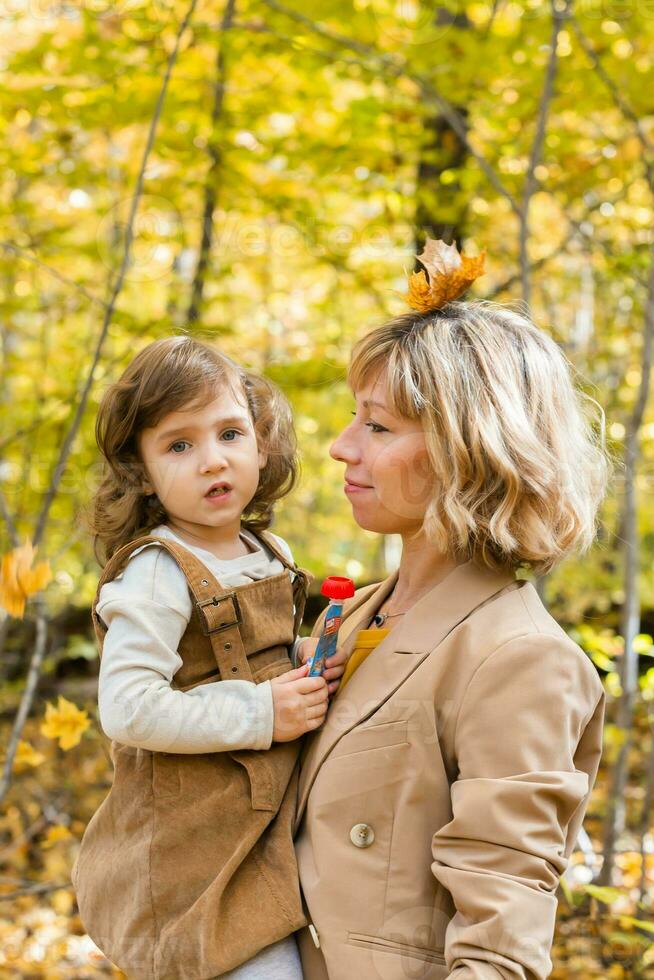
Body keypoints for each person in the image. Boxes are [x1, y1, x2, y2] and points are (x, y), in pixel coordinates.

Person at [293, 240, 611, 979]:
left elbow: (502, 936)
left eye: (378, 426)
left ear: (467, 450)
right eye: (353, 418)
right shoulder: (351, 614)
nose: (342, 448)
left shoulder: (520, 658)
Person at [70, 336, 344, 980]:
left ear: (261, 442)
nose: (212, 461)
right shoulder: (157, 573)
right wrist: (261, 711)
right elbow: (129, 708)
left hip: (267, 834)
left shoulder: (263, 548)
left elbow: (254, 655)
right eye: (179, 445)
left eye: (229, 433)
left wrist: (305, 658)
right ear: (140, 470)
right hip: (192, 854)